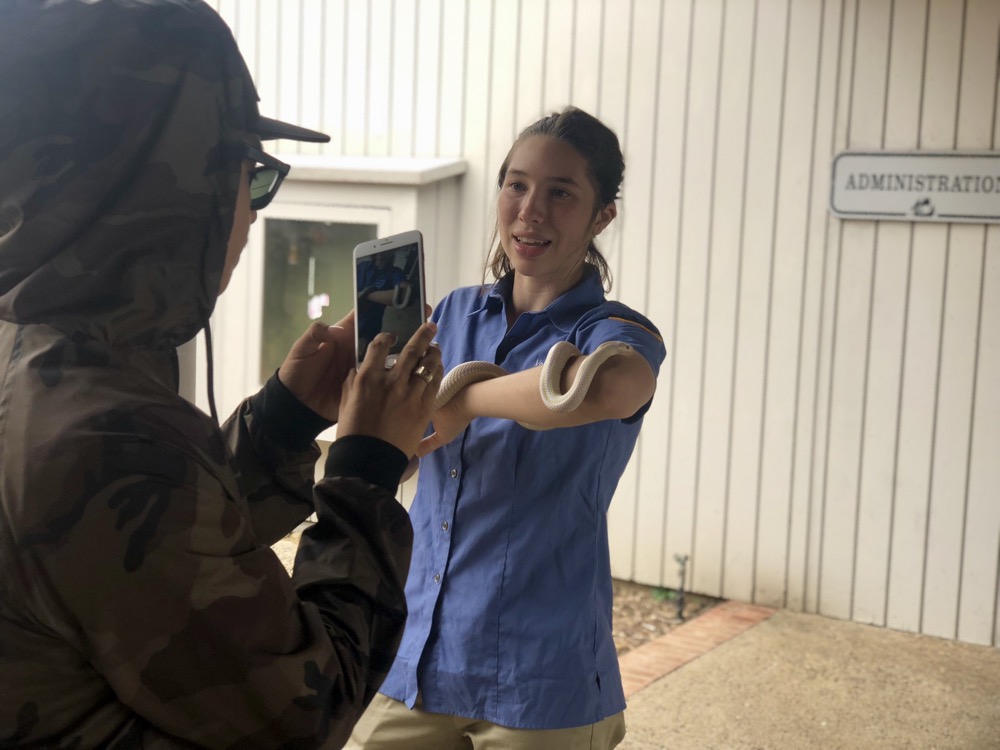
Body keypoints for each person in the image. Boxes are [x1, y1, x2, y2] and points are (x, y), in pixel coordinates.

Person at [0, 1, 442, 747]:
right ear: (179, 195)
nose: (251, 214)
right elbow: (308, 708)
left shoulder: (39, 352)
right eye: (251, 177)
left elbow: (149, 556)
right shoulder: (111, 433)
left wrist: (284, 419)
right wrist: (367, 469)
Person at [347, 107, 667, 749]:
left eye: (560, 193)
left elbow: (607, 386)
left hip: (542, 676)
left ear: (602, 215)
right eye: (516, 185)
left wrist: (464, 400)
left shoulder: (618, 333)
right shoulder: (450, 315)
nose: (530, 210)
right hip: (414, 653)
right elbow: (407, 456)